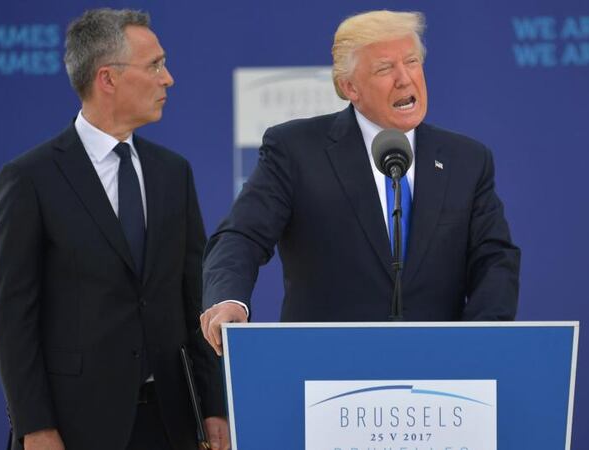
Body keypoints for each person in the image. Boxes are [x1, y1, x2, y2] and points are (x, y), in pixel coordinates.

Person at [200, 10, 520, 354]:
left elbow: (494, 257)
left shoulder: (466, 159)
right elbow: (242, 235)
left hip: (439, 372)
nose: (404, 79)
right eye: (385, 68)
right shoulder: (296, 150)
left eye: (411, 62)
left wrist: (483, 342)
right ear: (349, 86)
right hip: (324, 370)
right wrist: (228, 299)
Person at [0, 8, 227, 450]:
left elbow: (195, 299)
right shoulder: (30, 179)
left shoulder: (173, 174)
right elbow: (13, 317)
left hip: (170, 422)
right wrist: (34, 426)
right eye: (154, 65)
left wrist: (214, 405)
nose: (168, 78)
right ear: (108, 79)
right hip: (73, 426)